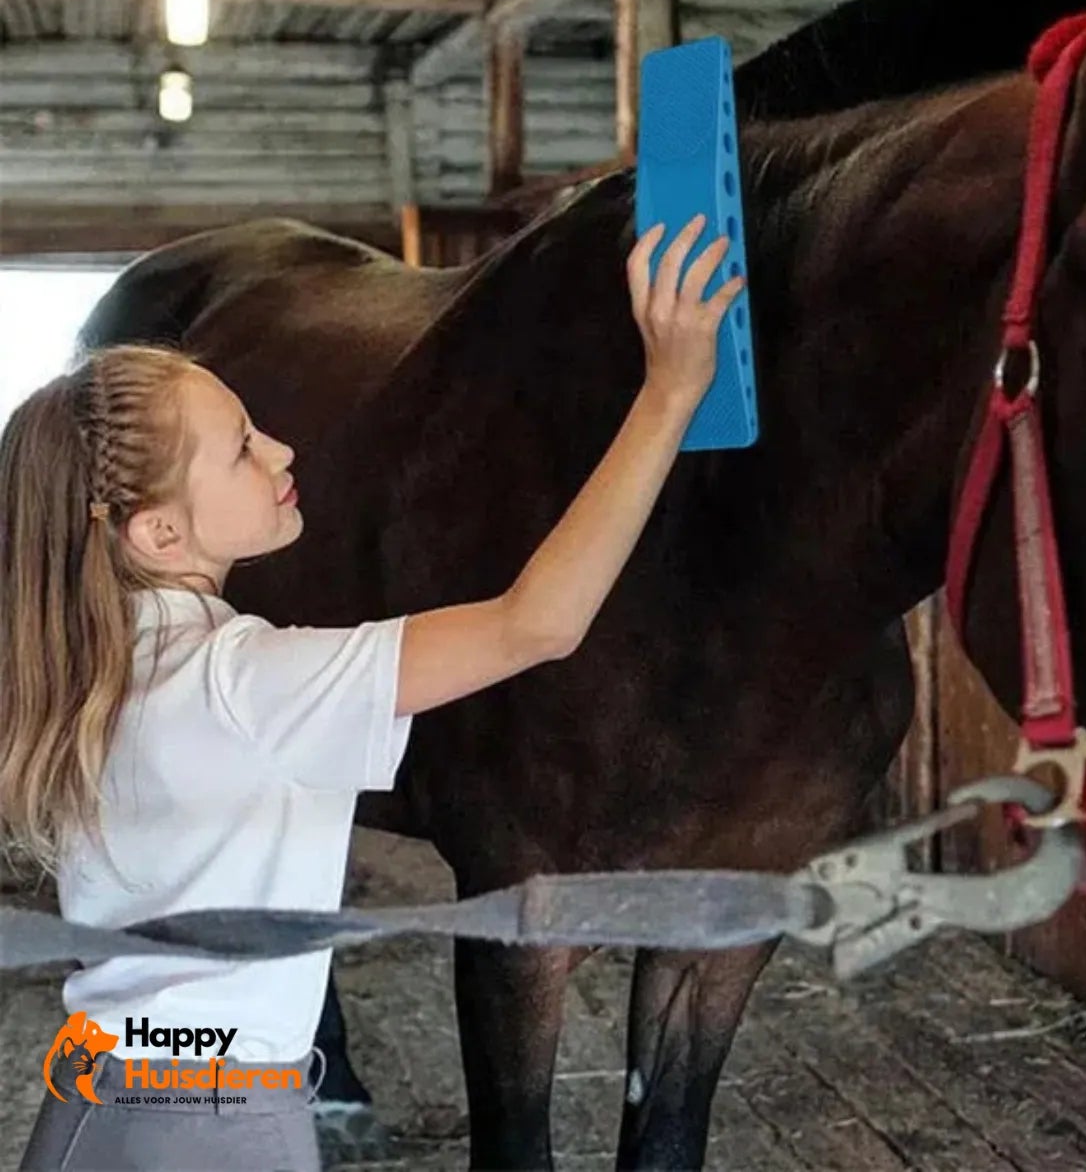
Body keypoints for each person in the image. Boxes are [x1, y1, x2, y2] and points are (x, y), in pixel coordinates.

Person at [0, 216, 742, 1172]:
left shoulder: (91, 662)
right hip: (212, 1127)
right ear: (158, 537)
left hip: (109, 1102)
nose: (282, 452)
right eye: (241, 448)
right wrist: (670, 391)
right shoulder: (248, 683)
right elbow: (537, 623)